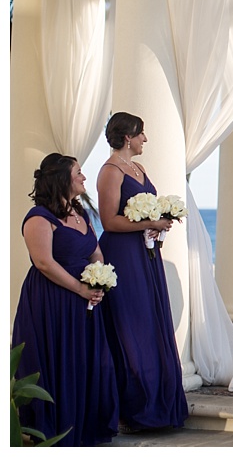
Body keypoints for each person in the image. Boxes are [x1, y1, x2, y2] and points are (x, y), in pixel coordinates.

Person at [12, 153, 119, 446]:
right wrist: (80, 288)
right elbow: (44, 263)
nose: (84, 177)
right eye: (79, 173)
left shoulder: (80, 213)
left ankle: (84, 427)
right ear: (62, 179)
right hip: (51, 301)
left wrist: (100, 279)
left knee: (85, 361)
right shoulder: (38, 218)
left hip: (83, 301)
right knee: (56, 361)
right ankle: (54, 433)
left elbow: (95, 251)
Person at [96, 112, 188, 432]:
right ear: (127, 138)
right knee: (129, 326)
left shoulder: (139, 168)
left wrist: (160, 222)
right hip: (121, 254)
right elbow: (108, 220)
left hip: (145, 253)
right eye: (141, 134)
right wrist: (150, 222)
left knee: (151, 322)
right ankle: (135, 410)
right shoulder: (109, 171)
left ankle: (158, 403)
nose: (145, 139)